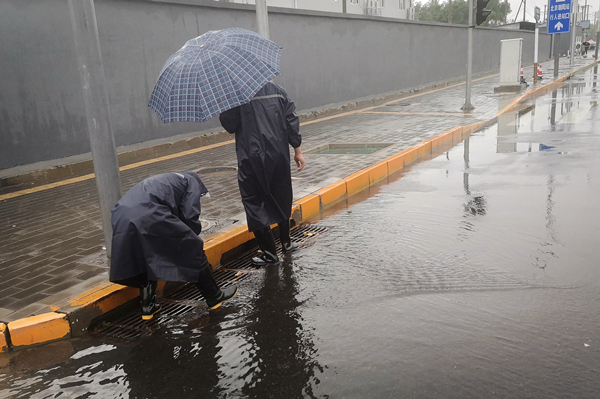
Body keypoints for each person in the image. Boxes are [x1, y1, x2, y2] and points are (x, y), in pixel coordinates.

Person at [109, 171, 238, 320]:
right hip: (147, 213)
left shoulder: (168, 180)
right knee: (193, 246)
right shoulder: (192, 182)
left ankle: (148, 306)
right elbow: (189, 216)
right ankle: (215, 296)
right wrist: (191, 234)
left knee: (146, 254)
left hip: (121, 214)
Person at [219, 81, 306, 266]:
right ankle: (287, 243)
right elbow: (291, 119)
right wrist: (297, 149)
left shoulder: (236, 96)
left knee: (254, 201)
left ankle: (269, 254)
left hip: (251, 158)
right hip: (278, 155)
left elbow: (229, 125)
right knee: (281, 195)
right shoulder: (278, 91)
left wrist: (225, 103)